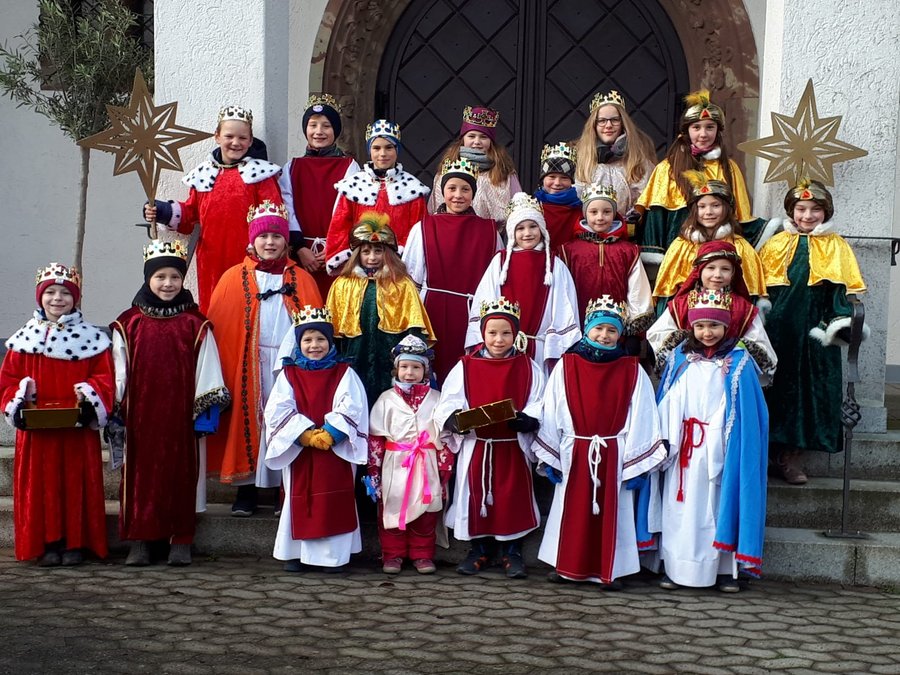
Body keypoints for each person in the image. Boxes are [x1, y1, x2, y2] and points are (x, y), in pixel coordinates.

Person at [111, 240, 230, 566]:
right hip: (140, 418)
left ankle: (181, 539)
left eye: (175, 277)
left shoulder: (195, 324)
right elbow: (118, 370)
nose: (168, 283)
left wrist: (204, 411)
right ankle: (141, 540)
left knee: (181, 475)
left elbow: (207, 367)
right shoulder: (129, 323)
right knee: (141, 478)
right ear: (147, 278)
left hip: (181, 419)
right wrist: (116, 408)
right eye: (160, 276)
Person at [533, 295, 665, 588]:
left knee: (614, 513)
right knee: (571, 510)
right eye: (599, 329)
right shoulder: (567, 365)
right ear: (587, 329)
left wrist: (637, 464)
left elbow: (642, 414)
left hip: (614, 450)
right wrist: (550, 455)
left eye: (612, 330)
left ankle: (612, 569)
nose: (604, 335)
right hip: (574, 449)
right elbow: (552, 408)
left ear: (620, 335)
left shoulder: (632, 369)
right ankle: (566, 566)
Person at [206, 202, 322, 516]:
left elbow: (315, 327)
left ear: (286, 241)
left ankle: (284, 489)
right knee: (249, 422)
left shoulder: (301, 279)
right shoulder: (233, 278)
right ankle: (246, 491)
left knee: (286, 421)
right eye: (263, 236)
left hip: (288, 366)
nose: (270, 242)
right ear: (252, 240)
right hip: (248, 363)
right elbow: (222, 327)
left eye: (276, 236)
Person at [654, 288, 768, 592]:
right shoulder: (680, 358)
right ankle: (675, 568)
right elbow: (669, 400)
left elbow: (746, 411)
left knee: (716, 508)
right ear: (691, 326)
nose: (707, 332)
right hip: (682, 447)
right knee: (678, 509)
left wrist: (722, 439)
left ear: (726, 325)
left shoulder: (739, 361)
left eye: (714, 325)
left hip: (719, 446)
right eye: (701, 326)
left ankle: (723, 571)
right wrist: (667, 438)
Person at [1, 263, 113, 565]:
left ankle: (76, 542)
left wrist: (90, 399)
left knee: (75, 484)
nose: (57, 299)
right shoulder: (23, 339)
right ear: (40, 296)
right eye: (50, 292)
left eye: (65, 293)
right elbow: (7, 380)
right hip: (38, 433)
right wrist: (17, 402)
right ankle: (48, 543)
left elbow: (105, 378)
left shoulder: (92, 339)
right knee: (42, 486)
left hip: (76, 431)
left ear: (75, 298)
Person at [758, 180, 867, 485]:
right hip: (777, 331)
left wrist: (838, 323)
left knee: (808, 393)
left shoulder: (836, 246)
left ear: (825, 212)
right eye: (801, 209)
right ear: (791, 211)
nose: (807, 216)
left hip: (813, 332)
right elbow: (759, 287)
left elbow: (842, 292)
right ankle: (763, 454)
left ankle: (790, 458)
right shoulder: (775, 244)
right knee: (772, 388)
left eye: (815, 209)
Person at [436, 298, 545, 579]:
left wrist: (529, 420)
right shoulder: (465, 366)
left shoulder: (528, 367)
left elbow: (540, 401)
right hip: (478, 446)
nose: (499, 339)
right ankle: (479, 550)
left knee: (511, 498)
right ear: (482, 333)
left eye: (506, 333)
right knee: (475, 496)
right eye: (492, 332)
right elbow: (448, 401)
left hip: (512, 447)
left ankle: (512, 552)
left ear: (516, 334)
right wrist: (455, 420)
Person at [144, 105, 284, 312]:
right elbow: (191, 215)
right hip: (211, 259)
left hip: (250, 257)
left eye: (242, 138)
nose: (235, 142)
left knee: (247, 310)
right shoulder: (204, 174)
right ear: (217, 136)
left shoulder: (260, 176)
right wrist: (162, 212)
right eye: (229, 136)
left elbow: (274, 217)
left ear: (250, 141)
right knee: (215, 309)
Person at [263, 306, 369, 572]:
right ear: (298, 343)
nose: (314, 345)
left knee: (332, 498)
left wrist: (332, 433)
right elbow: (277, 409)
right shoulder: (288, 374)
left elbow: (352, 405)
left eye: (321, 339)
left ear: (330, 342)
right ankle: (295, 553)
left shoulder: (344, 372)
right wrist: (304, 434)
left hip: (335, 450)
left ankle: (332, 557)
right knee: (299, 497)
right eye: (307, 340)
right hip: (301, 450)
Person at [636, 89, 765, 266]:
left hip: (719, 255)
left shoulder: (729, 168)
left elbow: (741, 214)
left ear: (718, 131)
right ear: (686, 131)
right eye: (696, 127)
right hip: (680, 253)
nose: (703, 134)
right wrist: (655, 253)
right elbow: (656, 215)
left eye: (709, 127)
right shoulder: (667, 168)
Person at [403, 157, 503, 383]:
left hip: (473, 312)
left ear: (473, 193)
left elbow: (496, 276)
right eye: (452, 188)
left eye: (465, 189)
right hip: (432, 310)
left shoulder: (489, 231)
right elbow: (411, 276)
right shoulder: (424, 227)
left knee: (467, 370)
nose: (458, 195)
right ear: (442, 191)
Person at [325, 212, 435, 407]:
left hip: (389, 359)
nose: (372, 257)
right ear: (357, 254)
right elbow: (331, 331)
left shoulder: (402, 284)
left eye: (378, 251)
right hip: (354, 356)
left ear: (388, 253)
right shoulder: (342, 284)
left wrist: (414, 355)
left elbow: (414, 326)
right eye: (366, 251)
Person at [366, 335, 453, 575]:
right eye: (404, 366)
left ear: (425, 370)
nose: (409, 373)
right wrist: (374, 469)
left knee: (427, 510)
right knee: (393, 507)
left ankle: (422, 554)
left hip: (427, 463)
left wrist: (445, 465)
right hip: (395, 464)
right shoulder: (386, 399)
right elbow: (375, 437)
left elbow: (446, 435)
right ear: (396, 369)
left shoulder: (437, 399)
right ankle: (392, 554)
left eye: (416, 367)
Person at [467, 192, 580, 375]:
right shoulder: (500, 262)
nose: (527, 233)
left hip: (540, 349)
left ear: (542, 229)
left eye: (533, 226)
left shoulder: (555, 265)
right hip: (503, 346)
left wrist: (557, 347)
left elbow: (565, 307)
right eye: (520, 228)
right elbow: (484, 300)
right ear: (512, 232)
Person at [648, 240, 777, 382]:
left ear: (733, 273)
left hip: (728, 376)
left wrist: (736, 348)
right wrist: (682, 342)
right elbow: (657, 335)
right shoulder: (681, 305)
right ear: (699, 271)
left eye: (725, 269)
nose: (717, 274)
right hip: (687, 375)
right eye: (711, 268)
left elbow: (760, 346)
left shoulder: (744, 309)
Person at [280, 93, 361, 299]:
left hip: (337, 257)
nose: (319, 131)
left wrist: (335, 248)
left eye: (326, 126)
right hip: (301, 256)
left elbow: (352, 211)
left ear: (336, 130)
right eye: (313, 125)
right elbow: (286, 208)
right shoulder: (292, 167)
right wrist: (300, 248)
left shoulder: (350, 166)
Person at [652, 171, 767, 315]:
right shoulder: (681, 245)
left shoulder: (740, 246)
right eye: (702, 206)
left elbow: (748, 295)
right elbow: (668, 293)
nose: (708, 212)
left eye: (715, 205)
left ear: (727, 208)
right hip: (687, 316)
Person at [325, 119, 429, 275]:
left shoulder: (412, 189)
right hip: (359, 269)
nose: (383, 154)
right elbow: (339, 228)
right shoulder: (353, 186)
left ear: (397, 150)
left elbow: (418, 233)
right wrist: (352, 264)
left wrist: (399, 261)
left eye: (389, 147)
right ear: (369, 150)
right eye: (376, 148)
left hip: (398, 270)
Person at [559, 183, 654, 334]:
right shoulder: (569, 250)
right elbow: (561, 290)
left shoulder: (628, 251)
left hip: (616, 328)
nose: (600, 217)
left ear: (614, 214)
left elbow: (637, 288)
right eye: (593, 212)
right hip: (578, 324)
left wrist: (634, 324)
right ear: (585, 214)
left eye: (607, 212)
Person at [573, 90, 657, 224]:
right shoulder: (579, 158)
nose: (608, 125)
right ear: (594, 125)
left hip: (627, 232)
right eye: (602, 121)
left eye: (614, 120)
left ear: (623, 123)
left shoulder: (639, 161)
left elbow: (648, 201)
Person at [428, 106, 521, 223]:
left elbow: (519, 210)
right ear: (463, 138)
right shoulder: (447, 170)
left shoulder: (504, 173)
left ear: (491, 141)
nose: (477, 142)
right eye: (471, 136)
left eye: (483, 137)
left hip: (492, 232)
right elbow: (433, 210)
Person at [533, 142, 582, 253]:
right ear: (543, 179)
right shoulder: (533, 208)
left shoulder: (579, 211)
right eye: (552, 177)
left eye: (564, 178)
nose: (557, 183)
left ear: (571, 181)